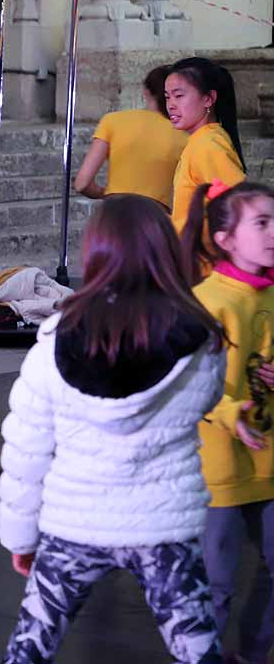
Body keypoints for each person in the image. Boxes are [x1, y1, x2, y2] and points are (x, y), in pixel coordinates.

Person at [0, 195, 227, 664]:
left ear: (97, 252)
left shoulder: (55, 339)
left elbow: (27, 447)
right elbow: (206, 400)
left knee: (28, 651)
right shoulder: (202, 338)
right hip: (164, 525)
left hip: (73, 524)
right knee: (198, 651)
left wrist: (21, 537)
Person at [182, 180, 274, 664]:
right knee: (215, 587)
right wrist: (228, 411)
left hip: (268, 466)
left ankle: (252, 655)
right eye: (261, 222)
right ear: (225, 239)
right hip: (220, 474)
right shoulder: (209, 301)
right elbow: (189, 386)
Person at [74, 65, 187, 210]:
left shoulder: (112, 121)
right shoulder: (184, 134)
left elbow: (81, 183)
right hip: (155, 215)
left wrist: (105, 193)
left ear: (146, 92)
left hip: (113, 212)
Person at [167, 57, 246, 235]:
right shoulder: (200, 140)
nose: (171, 105)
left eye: (179, 96)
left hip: (206, 261)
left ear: (208, 99)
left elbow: (240, 207)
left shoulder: (208, 145)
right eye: (167, 97)